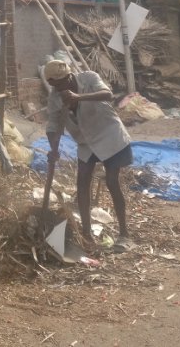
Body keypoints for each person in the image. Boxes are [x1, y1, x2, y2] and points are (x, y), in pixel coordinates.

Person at [44, 59, 133, 252]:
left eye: (61, 84)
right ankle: (86, 233)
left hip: (109, 134)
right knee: (82, 183)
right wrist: (53, 149)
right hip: (85, 141)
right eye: (55, 85)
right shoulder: (54, 97)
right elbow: (53, 125)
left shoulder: (89, 78)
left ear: (69, 77)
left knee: (112, 181)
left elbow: (108, 94)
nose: (59, 88)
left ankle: (124, 234)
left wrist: (78, 97)